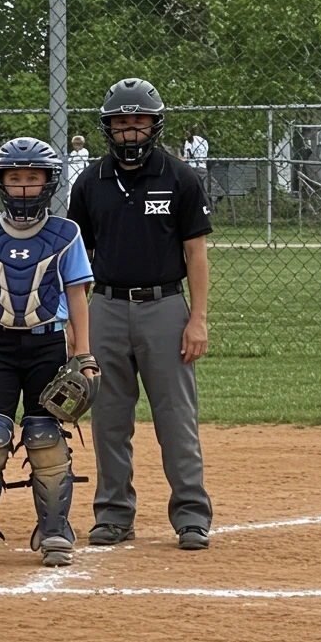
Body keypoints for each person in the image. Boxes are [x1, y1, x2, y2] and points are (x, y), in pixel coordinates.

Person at [67, 77, 214, 551]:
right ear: (108, 128)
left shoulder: (180, 178)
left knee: (175, 417)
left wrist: (198, 318)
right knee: (108, 417)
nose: (131, 132)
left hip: (165, 307)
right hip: (106, 305)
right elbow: (77, 258)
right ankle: (113, 513)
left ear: (156, 125)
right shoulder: (90, 182)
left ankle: (191, 514)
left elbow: (196, 254)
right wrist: (77, 324)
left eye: (139, 122)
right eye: (121, 123)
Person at [0, 137, 97, 568]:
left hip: (47, 343)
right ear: (1, 184)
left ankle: (54, 530)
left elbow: (78, 295)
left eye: (33, 179)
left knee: (44, 435)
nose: (25, 188)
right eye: (16, 179)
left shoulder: (65, 234)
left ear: (48, 183)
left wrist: (82, 352)